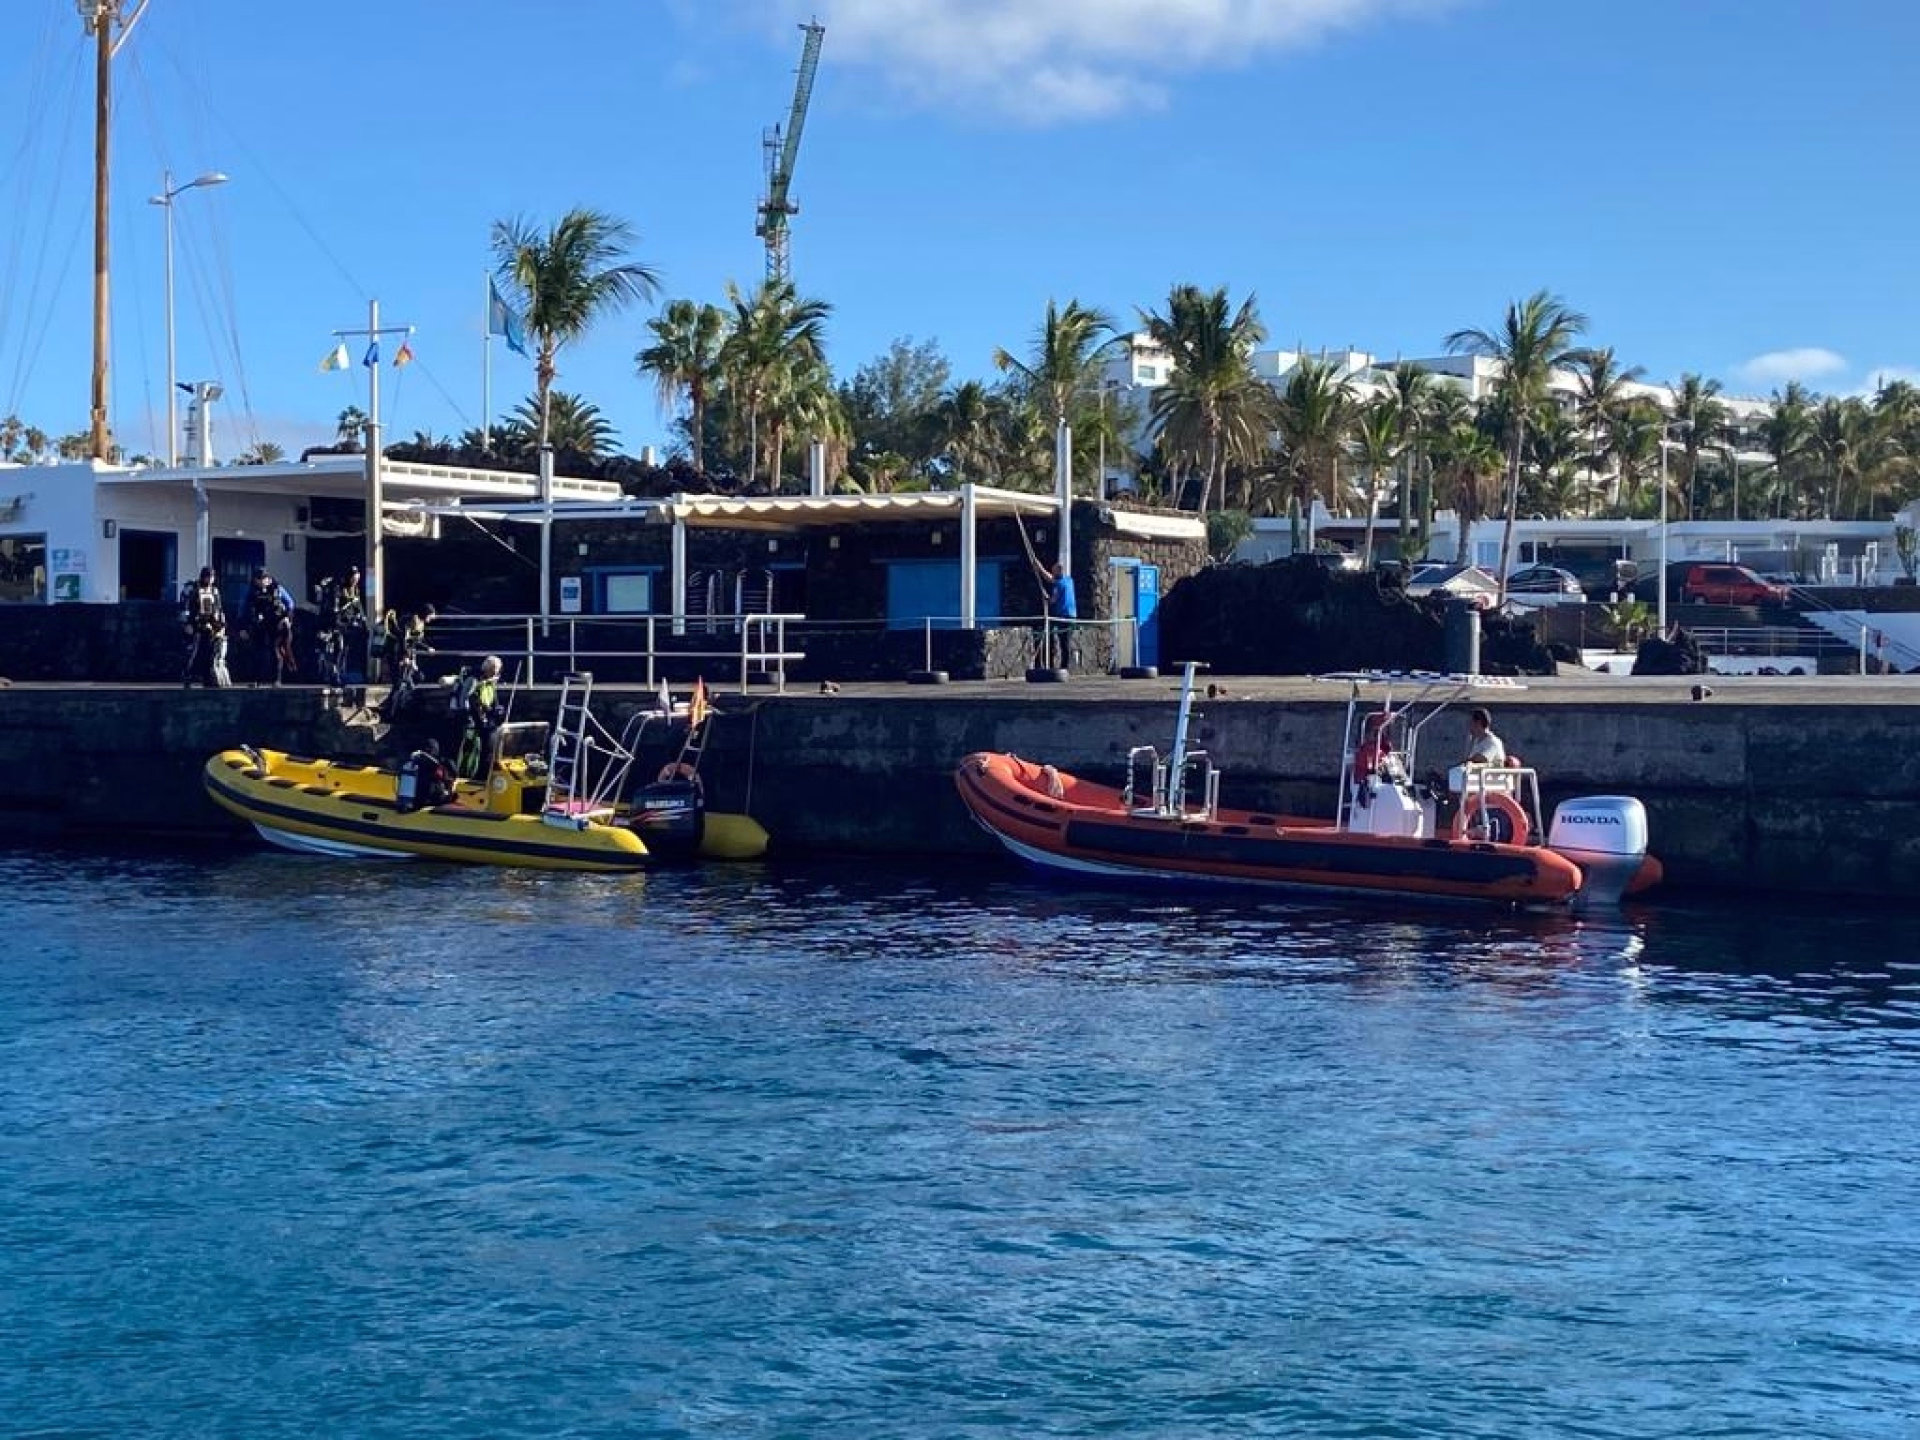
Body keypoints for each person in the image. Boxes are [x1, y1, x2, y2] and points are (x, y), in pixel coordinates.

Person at [242, 568, 296, 685]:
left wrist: (287, 618)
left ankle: (276, 679)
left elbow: (290, 603)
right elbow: (243, 609)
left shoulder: (278, 589)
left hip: (276, 623)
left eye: (264, 579)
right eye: (259, 579)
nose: (261, 582)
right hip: (259, 624)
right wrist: (242, 627)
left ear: (269, 579)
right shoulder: (251, 592)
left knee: (275, 650)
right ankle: (256, 679)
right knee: (257, 652)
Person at [457, 654, 506, 779]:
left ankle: (484, 773)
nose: (496, 673)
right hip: (473, 721)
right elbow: (465, 699)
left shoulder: (491, 682)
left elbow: (493, 700)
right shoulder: (474, 680)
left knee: (491, 745)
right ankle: (467, 774)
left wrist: (497, 711)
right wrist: (468, 719)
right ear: (488, 668)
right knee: (472, 749)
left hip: (486, 720)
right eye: (494, 670)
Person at [179, 567, 229, 688]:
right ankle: (187, 675)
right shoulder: (195, 590)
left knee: (210, 652)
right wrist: (189, 624)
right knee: (194, 651)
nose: (210, 579)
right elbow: (188, 608)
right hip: (197, 623)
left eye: (212, 577)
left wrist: (220, 623)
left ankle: (207, 678)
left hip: (211, 625)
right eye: (208, 577)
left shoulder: (214, 591)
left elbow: (218, 607)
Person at [1029, 557, 1077, 670]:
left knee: (1061, 640)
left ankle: (1057, 665)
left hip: (1062, 615)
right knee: (1064, 640)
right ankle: (1060, 665)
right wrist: (1040, 567)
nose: (1052, 572)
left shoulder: (1058, 585)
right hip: (1071, 615)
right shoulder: (1069, 580)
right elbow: (1049, 578)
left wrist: (1046, 597)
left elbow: (1052, 600)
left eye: (1053, 570)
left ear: (1057, 572)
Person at [397, 737, 456, 813]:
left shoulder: (410, 763)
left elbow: (399, 776)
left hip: (412, 802)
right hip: (430, 801)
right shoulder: (438, 764)